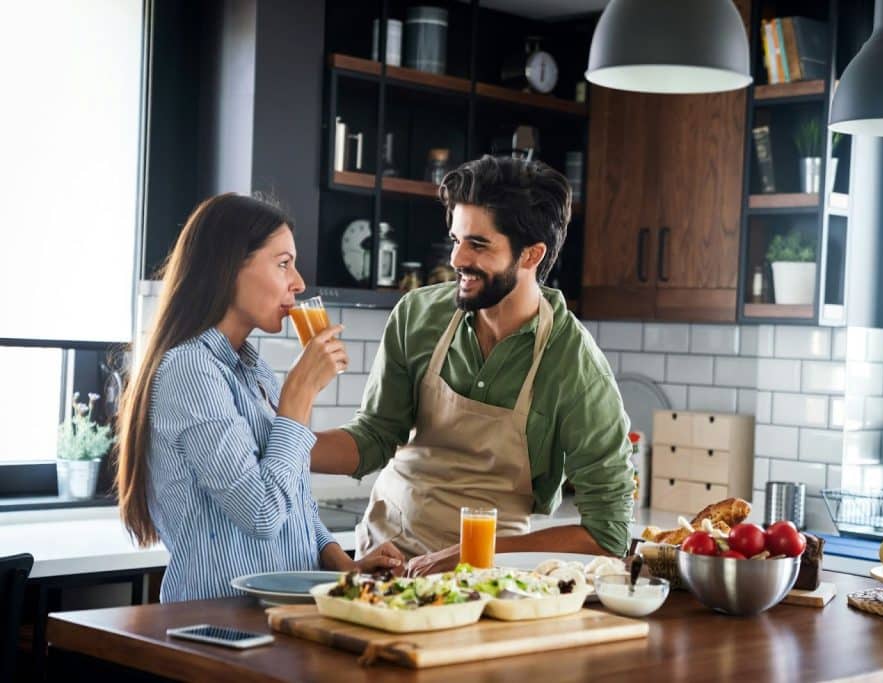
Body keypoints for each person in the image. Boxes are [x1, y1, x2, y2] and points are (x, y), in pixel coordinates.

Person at [311, 156, 635, 575]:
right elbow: (375, 436)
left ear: (532, 254)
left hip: (490, 579)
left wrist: (471, 553)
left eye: (478, 245)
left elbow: (609, 533)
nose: (457, 258)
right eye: (456, 239)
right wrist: (280, 447)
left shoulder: (573, 364)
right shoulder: (417, 315)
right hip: (387, 562)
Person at [116, 193, 403, 602]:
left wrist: (345, 565)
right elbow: (262, 513)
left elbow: (295, 504)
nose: (298, 282)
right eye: (283, 263)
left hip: (279, 613)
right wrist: (299, 395)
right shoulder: (190, 371)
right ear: (229, 265)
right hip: (221, 620)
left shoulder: (253, 370)